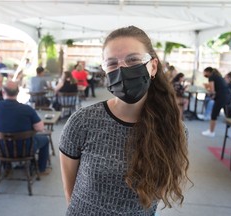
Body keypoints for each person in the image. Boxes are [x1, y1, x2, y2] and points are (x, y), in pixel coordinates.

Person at [59, 26, 189, 215]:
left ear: (153, 66)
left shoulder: (173, 130)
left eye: (133, 60)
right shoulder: (82, 122)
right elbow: (70, 191)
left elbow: (158, 193)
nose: (122, 70)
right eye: (112, 63)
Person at [0, 81, 51, 175]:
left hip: (2, 149)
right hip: (25, 150)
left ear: (3, 92)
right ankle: (41, 169)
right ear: (18, 92)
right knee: (45, 139)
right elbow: (40, 128)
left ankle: (7, 167)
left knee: (2, 140)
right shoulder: (27, 109)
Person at [201, 67, 231, 137]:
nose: (204, 74)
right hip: (228, 96)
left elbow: (212, 90)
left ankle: (211, 131)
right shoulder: (218, 76)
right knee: (228, 114)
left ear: (208, 72)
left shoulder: (211, 77)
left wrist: (208, 89)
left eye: (204, 72)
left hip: (221, 97)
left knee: (214, 114)